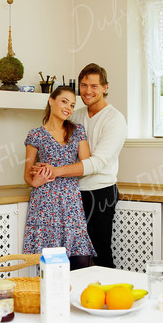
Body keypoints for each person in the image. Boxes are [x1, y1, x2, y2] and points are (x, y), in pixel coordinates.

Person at [35, 63, 127, 269]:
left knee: (101, 253)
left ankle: (107, 300)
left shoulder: (115, 119)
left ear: (105, 87)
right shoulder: (75, 116)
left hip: (100, 192)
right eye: (84, 85)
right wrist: (40, 169)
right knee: (72, 255)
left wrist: (56, 171)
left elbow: (97, 163)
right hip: (71, 193)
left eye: (94, 86)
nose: (88, 91)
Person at [22, 86, 96, 269]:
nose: (68, 108)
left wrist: (55, 170)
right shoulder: (35, 134)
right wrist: (36, 180)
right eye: (64, 101)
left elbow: (84, 166)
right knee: (52, 265)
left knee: (81, 260)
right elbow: (27, 175)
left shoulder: (77, 131)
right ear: (51, 100)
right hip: (45, 203)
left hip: (71, 202)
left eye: (72, 105)